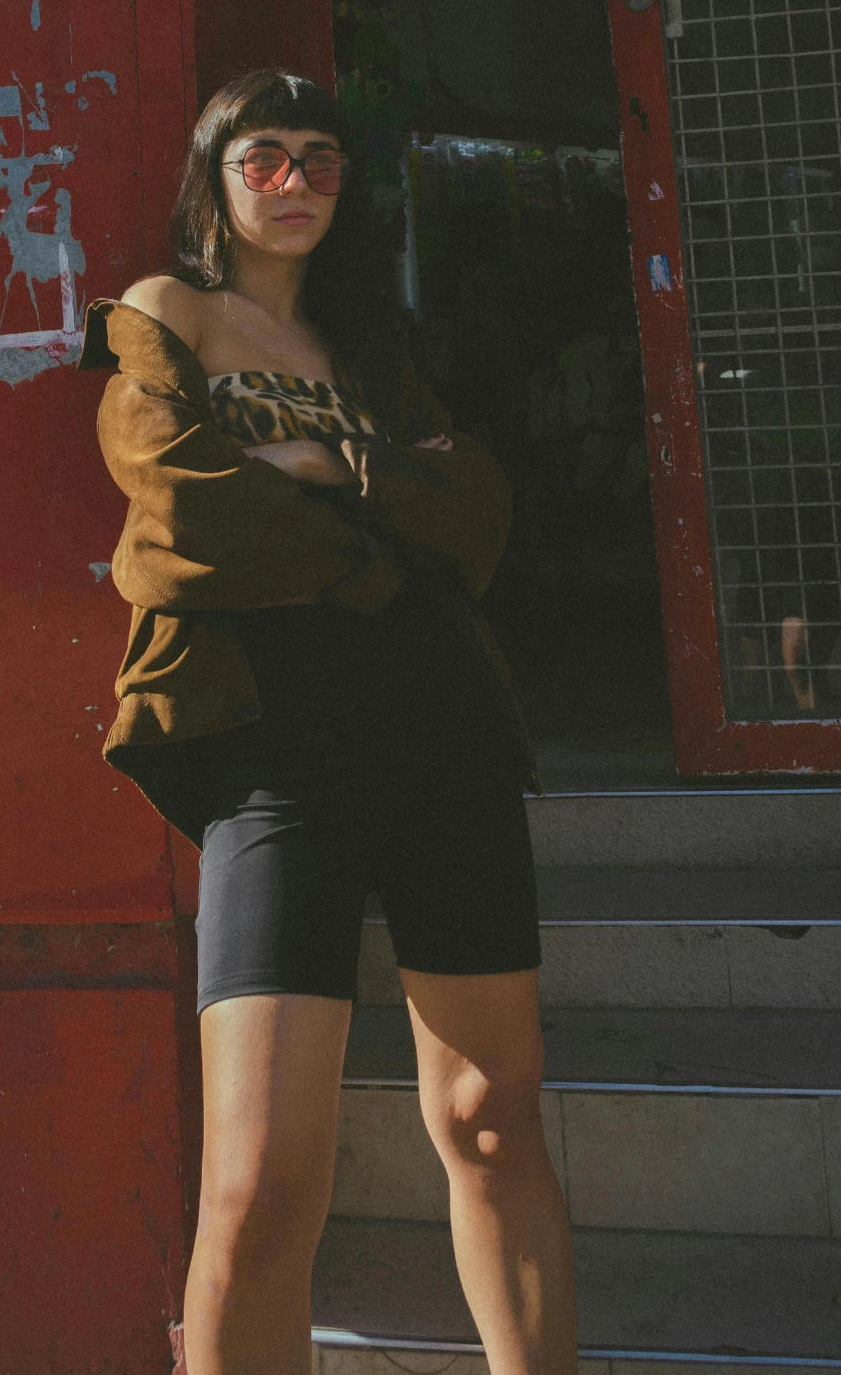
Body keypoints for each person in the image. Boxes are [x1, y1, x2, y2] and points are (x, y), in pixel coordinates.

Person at [81, 67, 577, 1375]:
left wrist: (317, 469)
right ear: (216, 176)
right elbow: (187, 521)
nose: (294, 180)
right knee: (255, 1175)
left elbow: (473, 521)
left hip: (443, 735)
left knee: (492, 1115)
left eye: (318, 157)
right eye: (263, 156)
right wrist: (380, 512)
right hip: (273, 753)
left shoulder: (371, 356)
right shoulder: (159, 317)